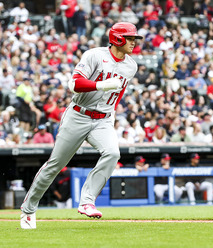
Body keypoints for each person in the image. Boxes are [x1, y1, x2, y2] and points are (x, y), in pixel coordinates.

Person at [20, 22, 143, 229]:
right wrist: (100, 85)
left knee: (113, 153)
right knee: (55, 165)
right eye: (130, 38)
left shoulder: (131, 65)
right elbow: (74, 83)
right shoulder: (94, 55)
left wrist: (110, 113)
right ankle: (28, 210)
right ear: (117, 39)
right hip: (78, 114)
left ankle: (87, 201)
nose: (133, 42)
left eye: (134, 38)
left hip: (103, 118)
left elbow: (118, 94)